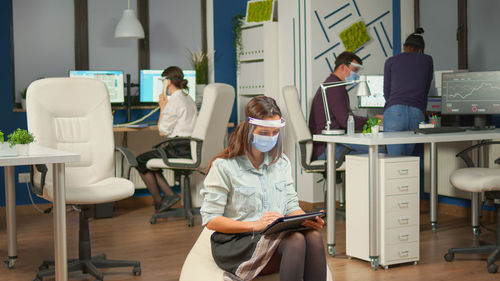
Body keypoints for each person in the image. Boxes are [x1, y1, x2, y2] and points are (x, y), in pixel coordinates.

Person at [200, 96, 327, 281]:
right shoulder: (224, 166)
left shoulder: (281, 163)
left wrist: (305, 220)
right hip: (237, 244)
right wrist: (255, 225)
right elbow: (211, 220)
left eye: (275, 132)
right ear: (249, 129)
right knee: (296, 241)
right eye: (264, 132)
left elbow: (291, 204)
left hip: (272, 236)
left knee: (313, 235)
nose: (271, 138)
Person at [136, 66, 197, 213]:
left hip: (178, 148)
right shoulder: (188, 98)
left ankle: (160, 201)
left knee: (140, 161)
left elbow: (162, 132)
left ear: (167, 82)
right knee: (150, 162)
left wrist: (163, 107)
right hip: (190, 147)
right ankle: (169, 195)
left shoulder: (174, 102)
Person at [309, 51, 381, 161]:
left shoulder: (333, 84)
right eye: (355, 70)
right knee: (380, 150)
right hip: (327, 148)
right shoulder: (334, 87)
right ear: (343, 67)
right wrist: (373, 121)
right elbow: (346, 121)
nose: (357, 75)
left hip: (329, 144)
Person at [383, 27, 434, 155]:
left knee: (395, 162)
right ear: (421, 50)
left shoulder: (391, 61)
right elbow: (426, 88)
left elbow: (387, 92)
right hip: (416, 112)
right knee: (409, 161)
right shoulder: (427, 60)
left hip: (394, 112)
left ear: (404, 47)